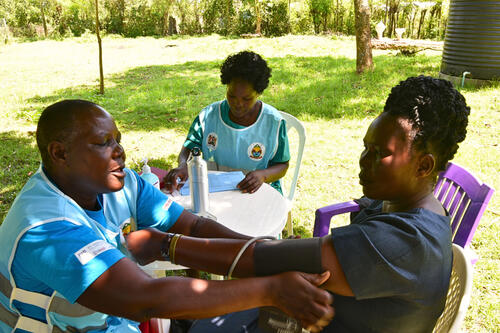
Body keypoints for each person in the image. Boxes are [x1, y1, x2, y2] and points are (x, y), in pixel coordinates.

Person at [127, 76, 471, 332]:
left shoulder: (401, 243)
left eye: (379, 154)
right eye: (367, 146)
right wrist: (190, 230)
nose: (363, 160)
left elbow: (261, 258)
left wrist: (166, 244)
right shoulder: (409, 207)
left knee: (199, 315)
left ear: (424, 165)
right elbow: (274, 255)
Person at [0, 100, 334, 333]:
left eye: (119, 140)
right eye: (104, 143)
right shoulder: (45, 228)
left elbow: (193, 225)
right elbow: (145, 300)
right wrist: (272, 290)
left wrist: (269, 253)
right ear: (60, 152)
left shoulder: (124, 184)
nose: (120, 152)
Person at [164, 51, 290, 194]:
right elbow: (188, 148)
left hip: (257, 191)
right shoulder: (208, 116)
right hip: (216, 192)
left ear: (259, 93)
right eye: (231, 95)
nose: (238, 104)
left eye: (247, 99)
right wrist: (183, 165)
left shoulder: (273, 123)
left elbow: (282, 165)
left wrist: (263, 175)